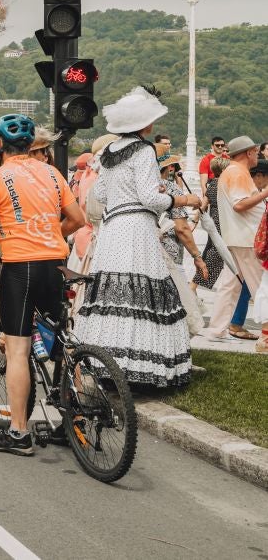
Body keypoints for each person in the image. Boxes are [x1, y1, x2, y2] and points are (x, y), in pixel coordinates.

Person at [0, 114, 86, 457]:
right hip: (54, 265)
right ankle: (71, 420)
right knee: (61, 342)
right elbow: (78, 219)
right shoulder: (52, 173)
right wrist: (49, 235)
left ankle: (19, 433)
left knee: (18, 350)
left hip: (20, 269)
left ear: (0, 145)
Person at [74, 90, 202, 388]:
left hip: (113, 230)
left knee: (112, 295)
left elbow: (101, 194)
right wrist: (182, 199)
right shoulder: (144, 151)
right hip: (137, 229)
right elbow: (149, 198)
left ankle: (107, 364)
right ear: (144, 125)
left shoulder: (109, 153)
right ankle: (140, 369)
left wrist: (130, 191)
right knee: (144, 293)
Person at [206, 136, 268, 351]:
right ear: (247, 153)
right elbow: (240, 205)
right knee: (261, 285)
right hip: (247, 238)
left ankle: (216, 330)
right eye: (255, 151)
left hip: (236, 237)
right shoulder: (238, 173)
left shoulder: (230, 172)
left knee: (229, 286)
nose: (258, 155)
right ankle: (266, 336)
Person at [155, 151, 209, 337]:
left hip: (146, 250)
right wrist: (197, 257)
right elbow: (182, 229)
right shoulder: (170, 188)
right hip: (170, 254)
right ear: (169, 167)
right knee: (182, 304)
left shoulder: (142, 187)